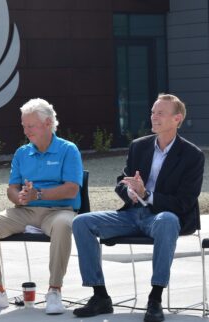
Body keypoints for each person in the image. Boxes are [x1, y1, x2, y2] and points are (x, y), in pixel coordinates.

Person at [72, 94, 204, 322]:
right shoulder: (139, 146)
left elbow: (185, 202)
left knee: (167, 220)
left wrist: (147, 194)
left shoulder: (192, 155)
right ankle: (100, 296)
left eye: (160, 113)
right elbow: (122, 180)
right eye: (153, 112)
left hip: (162, 218)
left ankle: (155, 298)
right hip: (132, 214)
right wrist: (131, 192)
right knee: (81, 222)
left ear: (177, 119)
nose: (154, 117)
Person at [0, 98, 83, 315]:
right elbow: (12, 189)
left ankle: (54, 291)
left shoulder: (69, 150)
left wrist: (37, 193)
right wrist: (19, 197)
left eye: (30, 125)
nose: (25, 130)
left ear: (48, 123)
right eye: (23, 125)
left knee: (62, 226)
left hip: (59, 211)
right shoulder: (22, 152)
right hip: (25, 211)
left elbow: (71, 190)